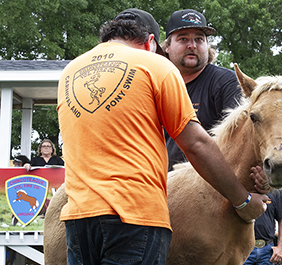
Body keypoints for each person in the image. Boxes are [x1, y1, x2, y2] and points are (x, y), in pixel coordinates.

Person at [57, 8, 268, 265]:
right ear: (152, 43)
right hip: (135, 217)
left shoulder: (70, 73)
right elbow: (196, 144)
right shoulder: (156, 66)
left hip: (79, 217)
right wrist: (243, 200)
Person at [162, 9, 242, 171]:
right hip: (159, 185)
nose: (192, 45)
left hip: (211, 184)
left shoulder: (226, 82)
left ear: (207, 45)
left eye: (199, 39)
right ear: (167, 47)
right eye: (183, 39)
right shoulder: (158, 85)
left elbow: (241, 142)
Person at [244, 187, 282, 265]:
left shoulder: (274, 192)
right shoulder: (241, 190)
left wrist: (280, 248)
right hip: (243, 248)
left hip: (267, 250)